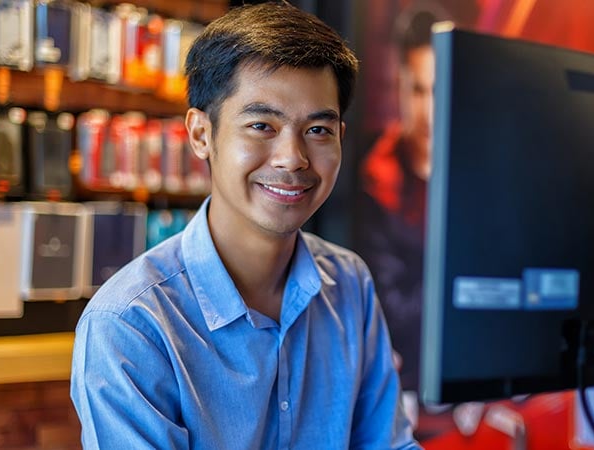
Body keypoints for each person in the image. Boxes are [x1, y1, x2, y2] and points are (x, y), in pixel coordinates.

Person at [70, 3, 419, 449]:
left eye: (317, 130)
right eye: (261, 125)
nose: (292, 158)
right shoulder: (131, 326)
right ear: (201, 134)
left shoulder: (349, 283)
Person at [356, 1, 439, 402]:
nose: (428, 111)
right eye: (418, 90)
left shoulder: (479, 173)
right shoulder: (376, 179)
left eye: (439, 91)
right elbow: (391, 312)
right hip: (405, 390)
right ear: (400, 87)